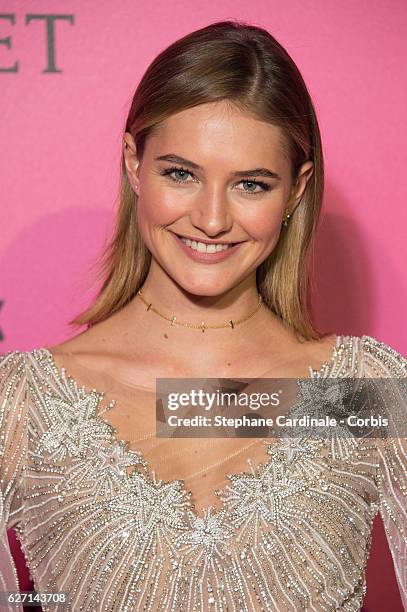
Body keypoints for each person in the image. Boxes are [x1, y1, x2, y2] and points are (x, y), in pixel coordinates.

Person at [0, 19, 406, 612]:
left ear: (296, 191)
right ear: (134, 163)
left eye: (251, 184)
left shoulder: (360, 391)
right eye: (182, 174)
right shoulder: (25, 401)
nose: (212, 220)